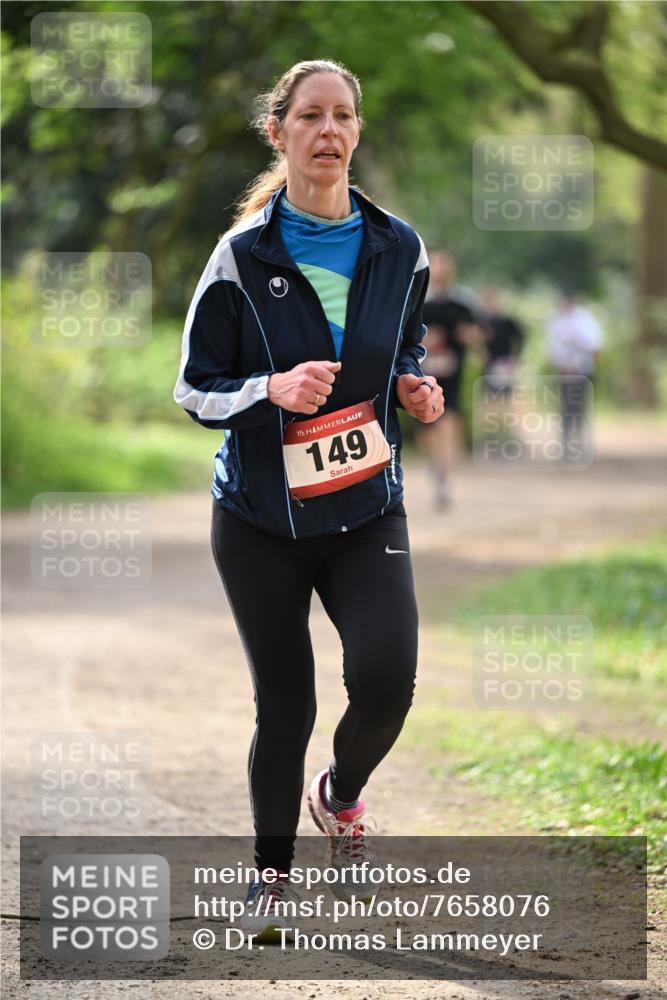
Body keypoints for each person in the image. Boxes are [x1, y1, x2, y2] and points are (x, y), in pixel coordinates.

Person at [173, 59, 443, 942]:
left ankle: (343, 794)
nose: (328, 131)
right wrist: (269, 390)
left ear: (356, 133)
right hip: (258, 518)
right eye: (309, 117)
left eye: (342, 117)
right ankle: (270, 880)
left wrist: (412, 384)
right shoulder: (242, 254)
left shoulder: (398, 246)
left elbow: (404, 342)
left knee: (385, 681)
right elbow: (194, 387)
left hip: (367, 506)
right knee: (283, 705)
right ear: (279, 133)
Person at [419, 250, 481, 509]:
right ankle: (437, 469)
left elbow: (479, 335)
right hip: (420, 375)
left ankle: (444, 479)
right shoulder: (417, 302)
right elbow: (400, 337)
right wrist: (425, 340)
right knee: (427, 430)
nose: (441, 270)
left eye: (446, 265)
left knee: (448, 423)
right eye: (436, 264)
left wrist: (470, 336)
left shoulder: (463, 304)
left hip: (452, 377)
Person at [545, 288, 604, 458]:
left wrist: (577, 341)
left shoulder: (585, 319)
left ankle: (579, 441)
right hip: (563, 370)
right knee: (564, 407)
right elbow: (552, 348)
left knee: (579, 407)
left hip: (582, 369)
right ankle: (565, 442)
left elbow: (595, 344)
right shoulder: (555, 321)